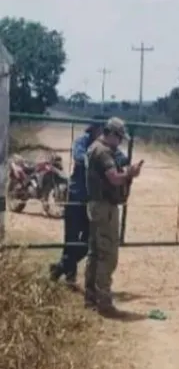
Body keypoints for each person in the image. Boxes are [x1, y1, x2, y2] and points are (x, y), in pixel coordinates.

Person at [50, 117, 129, 284]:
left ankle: (62, 267)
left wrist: (105, 160)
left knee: (87, 241)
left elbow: (123, 158)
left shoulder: (107, 149)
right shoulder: (83, 142)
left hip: (92, 198)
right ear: (94, 129)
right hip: (76, 194)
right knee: (70, 237)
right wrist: (101, 161)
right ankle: (69, 273)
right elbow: (80, 158)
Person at [85, 117, 143, 313]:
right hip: (104, 207)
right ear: (111, 134)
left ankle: (91, 297)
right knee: (107, 255)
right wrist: (130, 174)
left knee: (95, 252)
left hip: (96, 205)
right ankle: (104, 302)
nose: (119, 143)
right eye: (119, 138)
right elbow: (114, 179)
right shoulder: (103, 152)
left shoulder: (94, 147)